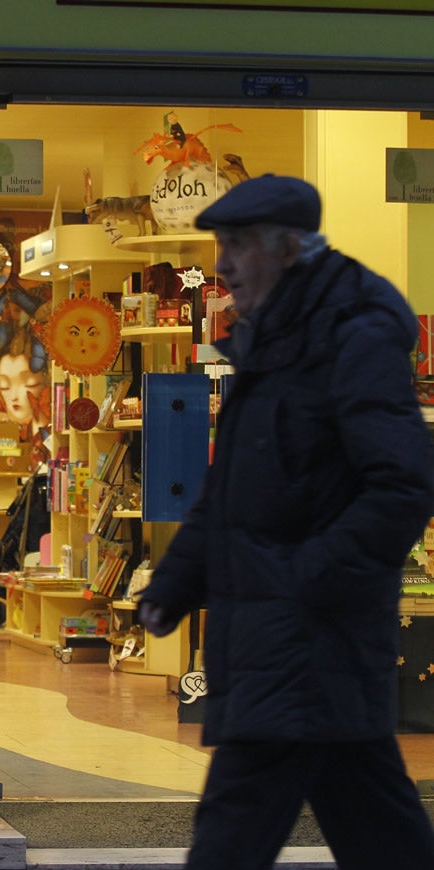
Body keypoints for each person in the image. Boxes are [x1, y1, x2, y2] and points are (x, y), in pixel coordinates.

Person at [138, 174, 434, 869]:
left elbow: (402, 485)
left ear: (289, 246)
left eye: (238, 245)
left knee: (235, 827)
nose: (222, 265)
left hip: (304, 636)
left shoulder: (349, 333)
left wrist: (304, 583)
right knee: (376, 824)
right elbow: (234, 491)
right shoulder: (273, 336)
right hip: (285, 639)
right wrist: (172, 587)